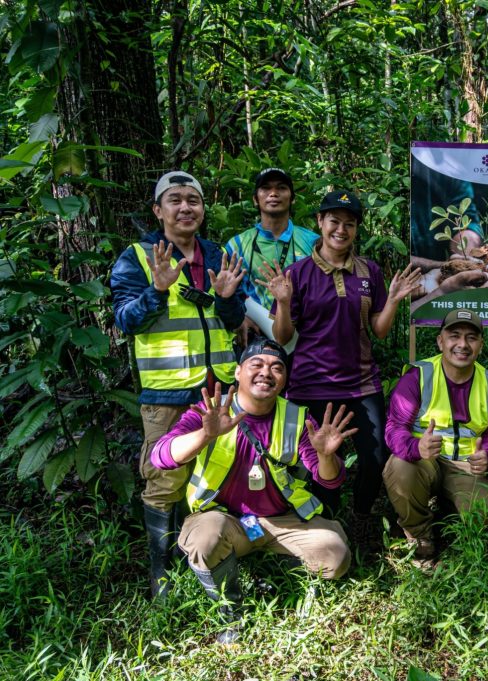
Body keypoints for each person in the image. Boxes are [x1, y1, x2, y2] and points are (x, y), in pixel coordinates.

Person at [150, 339, 355, 644]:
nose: (266, 373)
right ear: (237, 372)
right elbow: (162, 456)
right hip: (223, 521)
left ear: (285, 379)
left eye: (276, 367)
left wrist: (326, 456)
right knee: (206, 539)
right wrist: (205, 434)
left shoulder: (297, 418)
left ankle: (276, 563)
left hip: (280, 521)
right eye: (256, 364)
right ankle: (231, 612)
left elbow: (329, 481)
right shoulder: (210, 413)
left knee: (336, 556)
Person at [257, 190, 420, 551]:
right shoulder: (297, 274)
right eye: (334, 221)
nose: (341, 230)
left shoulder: (369, 272)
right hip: (309, 386)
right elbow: (283, 336)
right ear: (320, 223)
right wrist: (283, 302)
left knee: (376, 454)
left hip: (360, 383)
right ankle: (325, 521)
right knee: (315, 459)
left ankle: (361, 516)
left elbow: (378, 330)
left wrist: (392, 300)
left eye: (349, 223)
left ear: (356, 229)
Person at [111, 171, 246, 599]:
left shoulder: (216, 253)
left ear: (203, 208)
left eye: (193, 200)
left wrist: (226, 299)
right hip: (167, 391)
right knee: (164, 477)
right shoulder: (137, 256)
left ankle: (211, 555)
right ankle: (160, 569)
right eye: (175, 200)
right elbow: (124, 321)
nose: (186, 207)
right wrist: (155, 290)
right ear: (158, 209)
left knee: (219, 473)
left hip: (219, 388)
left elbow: (233, 319)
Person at [383, 309, 488, 568]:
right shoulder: (418, 377)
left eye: (471, 338)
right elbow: (394, 428)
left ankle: (448, 513)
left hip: (466, 467)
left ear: (481, 345)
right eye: (454, 336)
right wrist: (415, 446)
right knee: (400, 468)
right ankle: (419, 538)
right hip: (424, 461)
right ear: (441, 341)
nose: (462, 345)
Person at [225, 168, 319, 343]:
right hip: (256, 339)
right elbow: (228, 292)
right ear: (255, 199)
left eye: (281, 188)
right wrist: (239, 318)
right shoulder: (237, 244)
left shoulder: (313, 242)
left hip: (305, 339)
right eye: (266, 188)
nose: (273, 193)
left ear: (292, 198)